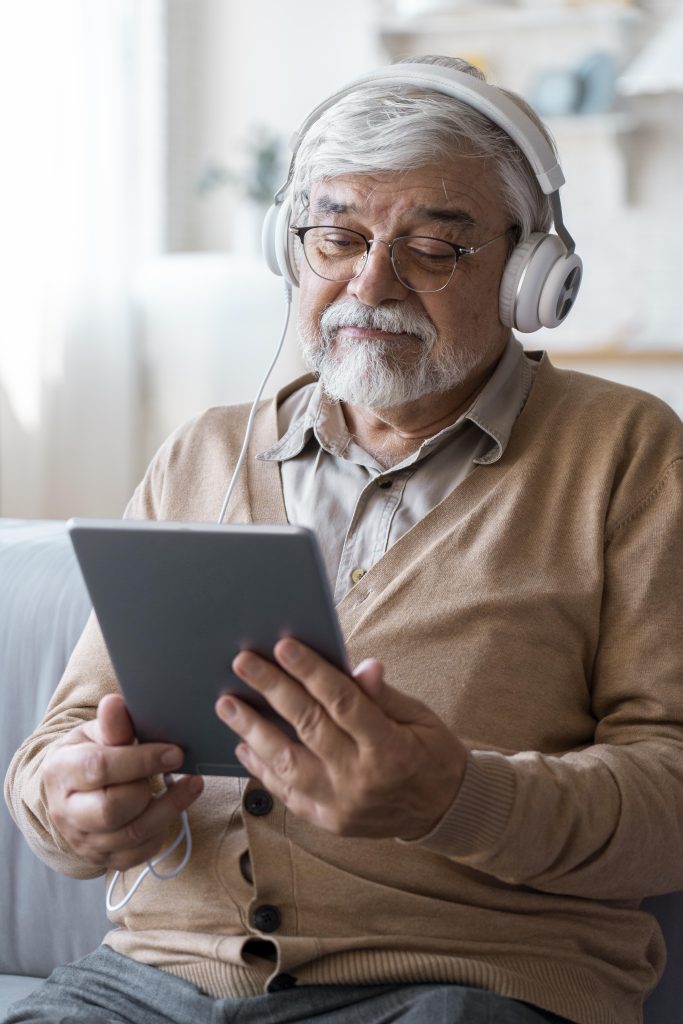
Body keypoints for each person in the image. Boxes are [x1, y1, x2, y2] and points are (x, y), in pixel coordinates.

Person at [4, 54, 683, 1024]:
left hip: (461, 982)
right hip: (155, 979)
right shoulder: (205, 451)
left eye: (434, 247)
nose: (373, 282)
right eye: (337, 236)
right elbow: (63, 740)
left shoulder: (627, 454)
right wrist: (71, 803)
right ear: (290, 250)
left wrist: (453, 796)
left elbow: (669, 785)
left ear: (530, 271)